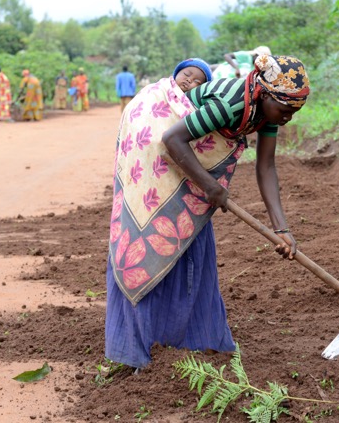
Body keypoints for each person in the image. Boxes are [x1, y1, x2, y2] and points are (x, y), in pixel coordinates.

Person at [105, 54, 309, 369]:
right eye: (284, 111)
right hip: (154, 138)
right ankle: (138, 345)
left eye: (293, 113)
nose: (287, 119)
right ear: (265, 94)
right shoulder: (229, 105)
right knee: (153, 237)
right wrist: (211, 188)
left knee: (188, 234)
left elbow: (266, 166)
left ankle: (188, 339)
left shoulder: (267, 112)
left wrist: (281, 228)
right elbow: (171, 138)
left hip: (185, 151)